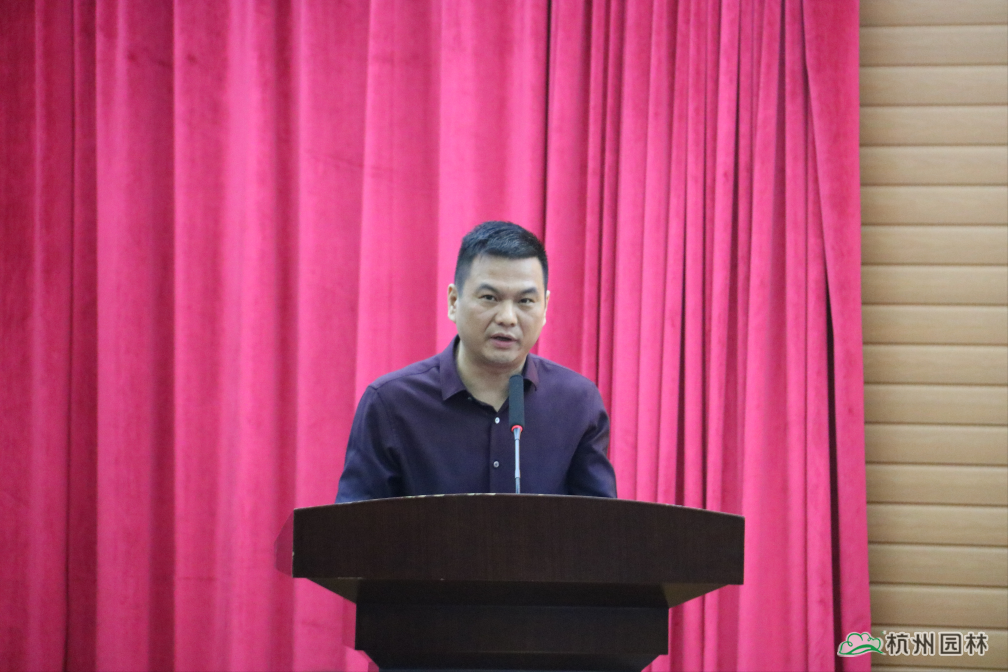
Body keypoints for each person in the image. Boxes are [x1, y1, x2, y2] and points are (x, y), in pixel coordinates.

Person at [336, 221, 617, 502]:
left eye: (525, 301)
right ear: (453, 301)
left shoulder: (578, 403)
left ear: (545, 307)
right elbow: (358, 524)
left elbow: (600, 523)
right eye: (489, 298)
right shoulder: (391, 403)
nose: (507, 318)